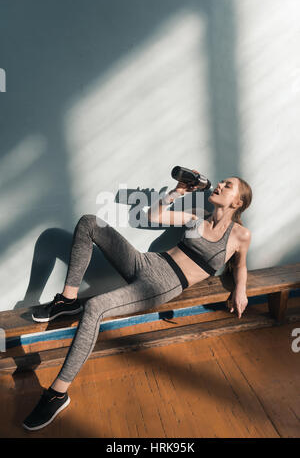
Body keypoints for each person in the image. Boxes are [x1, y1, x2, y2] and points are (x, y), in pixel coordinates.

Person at [22, 172, 252, 431]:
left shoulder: (241, 235)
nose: (220, 184)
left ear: (237, 202)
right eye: (222, 182)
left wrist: (240, 289)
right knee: (90, 222)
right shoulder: (195, 218)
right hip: (148, 261)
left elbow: (240, 265)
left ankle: (57, 394)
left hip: (162, 284)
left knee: (96, 306)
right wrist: (177, 193)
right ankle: (67, 299)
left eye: (228, 185)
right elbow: (154, 217)